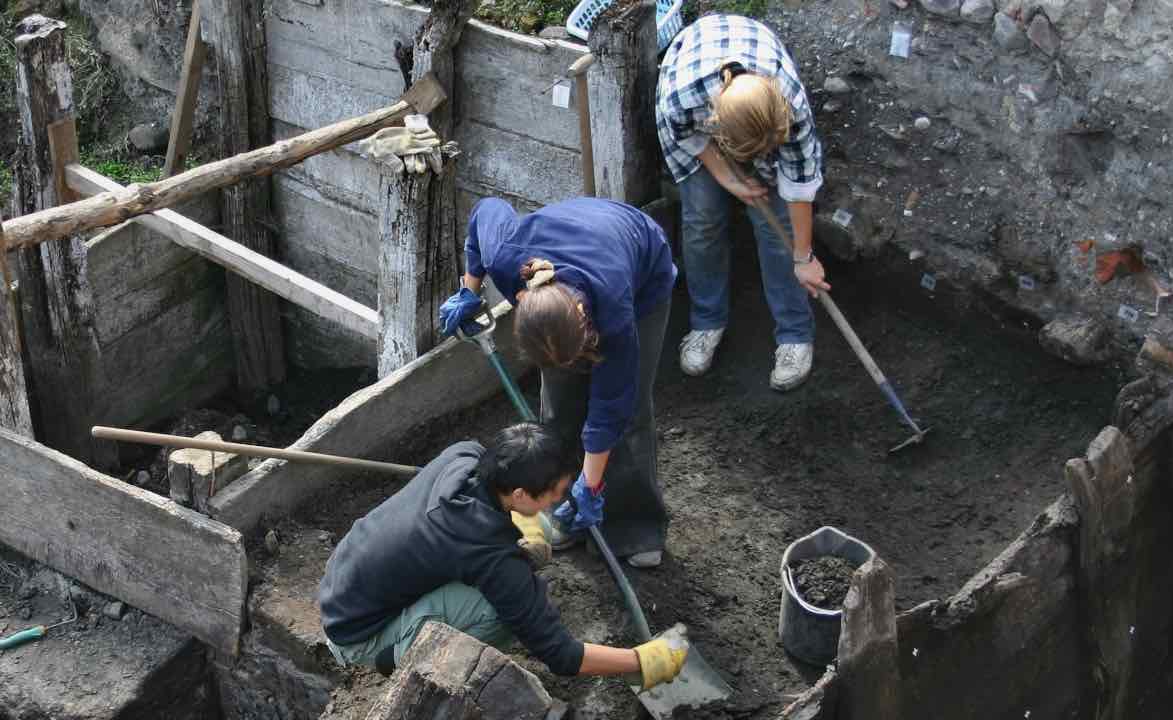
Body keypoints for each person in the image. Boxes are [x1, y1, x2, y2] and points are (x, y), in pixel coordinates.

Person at [317, 423, 687, 687]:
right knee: (501, 613)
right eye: (556, 492)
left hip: (343, 583)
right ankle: (399, 656)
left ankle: (409, 627)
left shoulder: (463, 455)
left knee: (535, 532)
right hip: (357, 634)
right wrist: (642, 660)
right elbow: (560, 654)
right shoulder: (488, 555)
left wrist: (525, 532)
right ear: (522, 494)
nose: (562, 498)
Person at [439, 197, 677, 568]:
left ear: (585, 320)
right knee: (560, 406)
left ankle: (633, 529)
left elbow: (611, 406)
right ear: (522, 301)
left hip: (641, 265)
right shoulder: (506, 258)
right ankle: (565, 507)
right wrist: (470, 290)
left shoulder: (614, 306)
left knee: (627, 419)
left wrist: (592, 483)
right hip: (572, 256)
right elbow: (485, 211)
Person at [656, 13, 830, 391]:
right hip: (697, 122)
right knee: (703, 217)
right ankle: (706, 321)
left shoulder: (791, 105)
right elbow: (685, 133)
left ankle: (795, 333)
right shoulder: (683, 98)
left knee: (775, 224)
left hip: (749, 96)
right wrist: (726, 176)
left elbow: (798, 183)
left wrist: (804, 257)